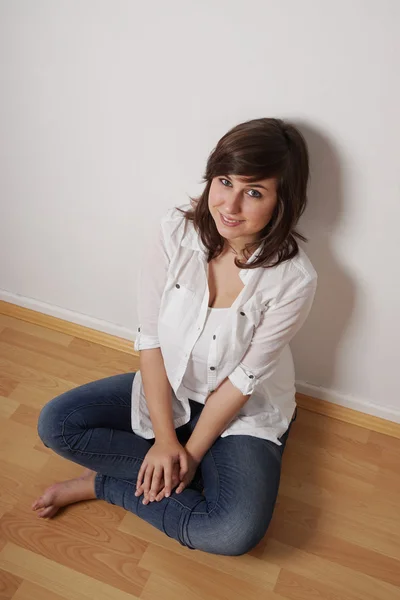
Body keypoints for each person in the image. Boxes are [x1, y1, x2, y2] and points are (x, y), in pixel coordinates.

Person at [33, 117, 317, 556]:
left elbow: (243, 381)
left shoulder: (293, 280)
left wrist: (192, 453)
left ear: (283, 202)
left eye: (255, 192)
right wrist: (165, 441)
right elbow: (151, 339)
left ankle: (107, 485)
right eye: (224, 181)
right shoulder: (175, 232)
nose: (230, 205)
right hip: (174, 383)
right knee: (57, 424)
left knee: (231, 532)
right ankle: (165, 466)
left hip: (242, 408)